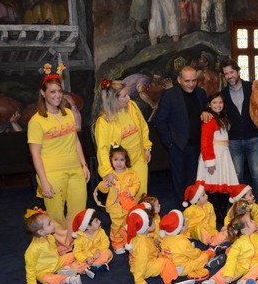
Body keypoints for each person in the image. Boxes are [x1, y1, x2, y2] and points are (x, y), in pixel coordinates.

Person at [28, 65, 90, 255]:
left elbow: (75, 141)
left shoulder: (69, 114)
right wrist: (44, 182)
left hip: (75, 170)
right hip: (51, 173)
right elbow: (35, 154)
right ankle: (63, 249)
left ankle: (76, 245)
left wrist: (84, 164)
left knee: (78, 209)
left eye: (59, 91)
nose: (56, 95)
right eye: (52, 91)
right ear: (43, 93)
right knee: (55, 215)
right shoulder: (36, 121)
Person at [155, 65, 207, 208]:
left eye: (194, 80)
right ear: (179, 80)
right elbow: (160, 122)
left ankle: (194, 211)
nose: (191, 84)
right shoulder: (169, 95)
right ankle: (181, 212)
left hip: (197, 146)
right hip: (178, 146)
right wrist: (170, 144)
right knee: (179, 182)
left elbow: (205, 114)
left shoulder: (201, 93)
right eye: (187, 81)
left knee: (194, 180)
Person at [95, 79, 152, 203]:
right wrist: (107, 172)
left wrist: (147, 147)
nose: (128, 98)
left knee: (141, 196)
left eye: (127, 94)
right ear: (113, 99)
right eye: (124, 96)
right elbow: (102, 150)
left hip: (139, 158)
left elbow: (143, 126)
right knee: (124, 200)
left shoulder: (132, 106)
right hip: (121, 165)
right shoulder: (104, 122)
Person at [220, 58, 258, 202]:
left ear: (238, 72)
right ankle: (242, 203)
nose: (229, 76)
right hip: (234, 141)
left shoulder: (252, 87)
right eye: (226, 74)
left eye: (232, 72)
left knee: (256, 174)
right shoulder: (222, 95)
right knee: (238, 175)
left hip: (253, 138)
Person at [125, 204, 193, 284]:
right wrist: (139, 280)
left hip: (148, 261)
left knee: (165, 256)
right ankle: (174, 280)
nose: (155, 222)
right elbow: (140, 263)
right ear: (147, 226)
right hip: (144, 268)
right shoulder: (143, 245)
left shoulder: (141, 235)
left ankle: (170, 270)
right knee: (166, 262)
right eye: (153, 221)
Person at [23, 207, 88, 284]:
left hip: (57, 263)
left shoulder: (50, 237)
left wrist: (63, 258)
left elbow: (54, 251)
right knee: (46, 280)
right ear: (41, 232)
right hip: (44, 271)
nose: (53, 224)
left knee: (72, 254)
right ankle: (69, 279)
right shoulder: (32, 249)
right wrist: (31, 282)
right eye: (49, 223)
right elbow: (30, 267)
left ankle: (80, 267)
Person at [201, 213, 258, 284]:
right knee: (229, 268)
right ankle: (214, 281)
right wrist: (228, 274)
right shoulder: (239, 243)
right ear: (244, 230)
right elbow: (231, 259)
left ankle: (244, 282)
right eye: (251, 221)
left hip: (255, 264)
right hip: (240, 264)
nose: (254, 221)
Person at [196, 91, 238, 216]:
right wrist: (210, 162)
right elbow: (205, 142)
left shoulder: (222, 118)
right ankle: (217, 211)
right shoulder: (209, 119)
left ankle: (222, 209)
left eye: (220, 102)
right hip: (214, 155)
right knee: (213, 182)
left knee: (223, 181)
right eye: (214, 103)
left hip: (224, 155)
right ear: (209, 105)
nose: (218, 105)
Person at [96, 144, 141, 254]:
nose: (119, 163)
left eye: (122, 159)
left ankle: (128, 242)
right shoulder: (109, 175)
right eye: (116, 159)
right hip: (114, 207)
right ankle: (117, 244)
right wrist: (104, 185)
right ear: (111, 161)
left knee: (128, 225)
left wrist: (132, 190)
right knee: (116, 226)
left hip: (128, 207)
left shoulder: (131, 173)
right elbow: (103, 189)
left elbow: (137, 183)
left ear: (126, 160)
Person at [159, 209, 227, 277]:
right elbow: (194, 255)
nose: (187, 220)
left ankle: (173, 270)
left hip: (169, 265)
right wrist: (199, 251)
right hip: (183, 267)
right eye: (185, 221)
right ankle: (211, 253)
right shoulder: (183, 242)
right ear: (182, 228)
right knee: (204, 256)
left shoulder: (165, 238)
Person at [71, 208, 113, 276]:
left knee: (108, 252)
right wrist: (85, 259)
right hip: (87, 258)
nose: (100, 221)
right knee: (73, 266)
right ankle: (96, 266)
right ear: (87, 226)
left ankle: (90, 268)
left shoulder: (100, 231)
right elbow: (77, 252)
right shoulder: (79, 239)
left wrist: (99, 250)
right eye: (96, 221)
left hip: (99, 255)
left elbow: (105, 242)